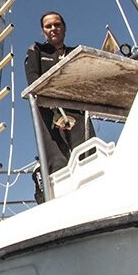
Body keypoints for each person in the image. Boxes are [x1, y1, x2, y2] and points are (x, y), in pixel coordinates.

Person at [24, 12, 88, 183]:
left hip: (77, 112)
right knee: (59, 163)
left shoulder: (76, 52)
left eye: (57, 24)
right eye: (48, 26)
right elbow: (33, 81)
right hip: (49, 114)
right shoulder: (36, 50)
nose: (53, 28)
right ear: (43, 31)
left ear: (64, 28)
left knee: (86, 154)